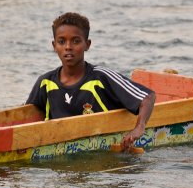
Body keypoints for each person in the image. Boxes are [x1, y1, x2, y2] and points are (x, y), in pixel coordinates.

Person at [26, 12, 156, 150]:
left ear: (87, 45)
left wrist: (139, 128)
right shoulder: (45, 82)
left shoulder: (101, 77)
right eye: (61, 41)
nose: (68, 47)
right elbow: (26, 115)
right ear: (54, 45)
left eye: (76, 41)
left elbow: (148, 97)